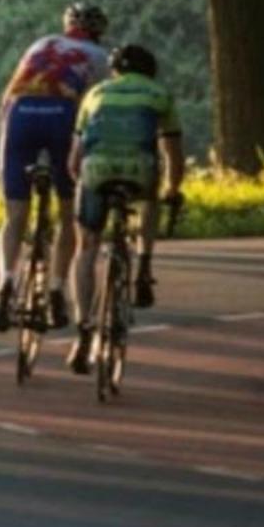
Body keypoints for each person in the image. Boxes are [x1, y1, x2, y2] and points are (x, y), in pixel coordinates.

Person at [0, 0, 111, 332]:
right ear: (99, 32)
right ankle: (57, 290)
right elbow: (96, 110)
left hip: (20, 114)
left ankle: (5, 284)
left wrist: (3, 155)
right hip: (62, 116)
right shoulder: (100, 57)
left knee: (14, 216)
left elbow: (6, 99)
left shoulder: (40, 44)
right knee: (68, 213)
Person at [66, 42, 185, 373]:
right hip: (139, 169)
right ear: (150, 70)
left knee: (86, 246)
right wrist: (172, 190)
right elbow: (173, 154)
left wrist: (83, 184)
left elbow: (73, 161)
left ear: (114, 70)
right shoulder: (159, 94)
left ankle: (83, 331)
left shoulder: (96, 93)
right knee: (151, 194)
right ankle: (144, 265)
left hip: (96, 170)